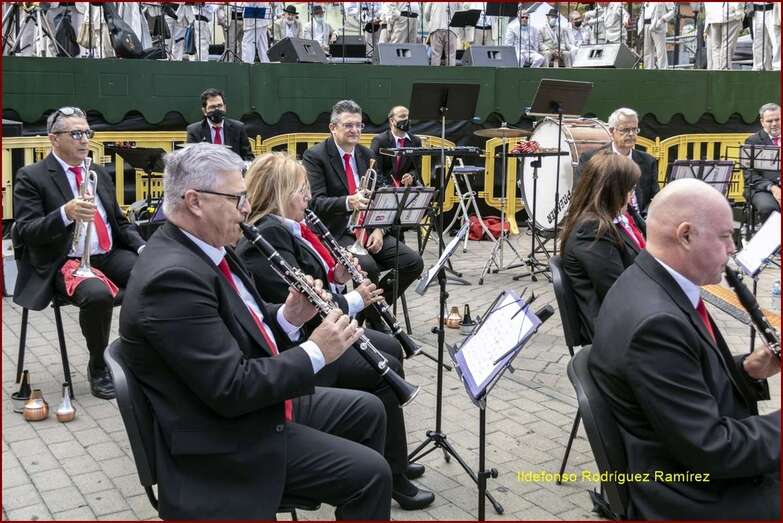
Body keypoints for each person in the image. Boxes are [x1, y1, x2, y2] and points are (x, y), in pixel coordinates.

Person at [119, 142, 392, 519]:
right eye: (237, 198)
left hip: (247, 410)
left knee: (368, 410)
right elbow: (232, 388)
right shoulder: (172, 279)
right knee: (372, 474)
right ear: (195, 201)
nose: (247, 208)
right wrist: (317, 350)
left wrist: (289, 316)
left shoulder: (207, 246)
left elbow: (242, 319)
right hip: (223, 439)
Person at [236, 153, 435, 510]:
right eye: (300, 190)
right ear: (279, 193)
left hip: (317, 329)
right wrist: (356, 299)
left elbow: (315, 288)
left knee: (390, 348)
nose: (308, 197)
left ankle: (394, 457)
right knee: (382, 374)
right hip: (301, 345)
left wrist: (339, 279)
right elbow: (302, 304)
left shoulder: (287, 229)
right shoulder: (267, 235)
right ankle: (394, 477)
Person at [589, 178, 780, 520]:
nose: (733, 248)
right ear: (686, 235)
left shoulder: (648, 281)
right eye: (725, 236)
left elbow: (688, 375)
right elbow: (713, 448)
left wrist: (747, 369)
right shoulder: (657, 324)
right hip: (691, 494)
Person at [13, 106, 145, 399]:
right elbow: (28, 231)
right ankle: (99, 365)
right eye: (75, 134)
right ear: (54, 138)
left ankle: (141, 353)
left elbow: (119, 222)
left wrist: (143, 247)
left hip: (107, 253)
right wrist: (65, 213)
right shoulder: (32, 176)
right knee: (97, 295)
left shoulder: (97, 172)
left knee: (154, 277)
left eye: (87, 132)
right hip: (65, 260)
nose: (85, 139)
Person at [303, 100, 424, 332]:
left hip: (368, 228)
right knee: (369, 267)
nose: (355, 130)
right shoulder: (315, 156)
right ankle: (377, 322)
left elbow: (380, 197)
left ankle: (366, 311)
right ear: (333, 127)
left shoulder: (366, 154)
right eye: (348, 125)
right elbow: (315, 203)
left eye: (359, 125)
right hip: (337, 231)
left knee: (413, 263)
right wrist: (349, 201)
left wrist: (379, 229)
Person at [560, 152, 643, 342]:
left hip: (627, 318)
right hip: (614, 334)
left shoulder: (612, 217)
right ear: (614, 191)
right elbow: (619, 291)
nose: (632, 196)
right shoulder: (591, 230)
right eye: (630, 188)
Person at [579, 107, 659, 216]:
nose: (631, 134)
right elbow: (583, 196)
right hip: (604, 220)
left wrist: (644, 218)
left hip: (639, 221)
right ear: (612, 131)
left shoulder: (648, 161)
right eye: (625, 130)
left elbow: (655, 197)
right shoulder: (592, 159)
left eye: (635, 129)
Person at [186, 88, 254, 161]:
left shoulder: (238, 128)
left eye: (220, 106)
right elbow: (191, 159)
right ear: (204, 111)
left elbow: (248, 157)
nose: (217, 110)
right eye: (212, 107)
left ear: (225, 107)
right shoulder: (194, 130)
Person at [743, 102, 781, 222]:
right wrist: (773, 188)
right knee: (768, 209)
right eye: (769, 121)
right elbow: (750, 175)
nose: (774, 124)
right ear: (762, 122)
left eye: (777, 119)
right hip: (762, 189)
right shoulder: (752, 141)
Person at [369, 105, 422, 189]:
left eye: (408, 116)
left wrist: (411, 176)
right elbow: (376, 171)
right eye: (402, 116)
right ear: (392, 120)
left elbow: (417, 169)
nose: (407, 119)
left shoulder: (416, 141)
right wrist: (388, 189)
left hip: (406, 189)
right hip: (384, 189)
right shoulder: (380, 140)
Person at [704, 2, 745, 70]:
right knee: (727, 46)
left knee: (716, 48)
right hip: (730, 13)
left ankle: (717, 70)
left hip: (713, 14)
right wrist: (738, 11)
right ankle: (723, 70)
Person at [637, 2, 675, 70]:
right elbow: (642, 13)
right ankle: (648, 70)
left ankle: (663, 70)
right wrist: (640, 27)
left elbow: (673, 11)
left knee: (660, 51)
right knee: (647, 51)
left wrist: (663, 19)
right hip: (646, 26)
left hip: (658, 26)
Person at [424, 2, 461, 66]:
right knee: (451, 56)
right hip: (452, 29)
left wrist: (431, 21)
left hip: (436, 27)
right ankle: (451, 72)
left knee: (436, 55)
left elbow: (426, 13)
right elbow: (461, 11)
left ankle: (435, 72)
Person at [751, 3, 779, 71]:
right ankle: (758, 67)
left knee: (776, 40)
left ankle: (777, 66)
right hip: (756, 10)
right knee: (758, 42)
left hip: (772, 9)